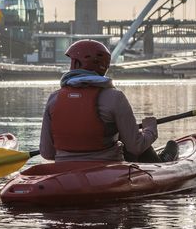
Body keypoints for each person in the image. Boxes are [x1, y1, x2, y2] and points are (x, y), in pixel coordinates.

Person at [39, 39, 178, 163]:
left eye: (72, 61)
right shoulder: (115, 97)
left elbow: (47, 153)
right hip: (106, 168)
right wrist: (150, 129)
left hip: (63, 171)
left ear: (76, 63)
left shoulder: (54, 98)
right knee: (132, 140)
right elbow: (135, 147)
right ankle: (163, 162)